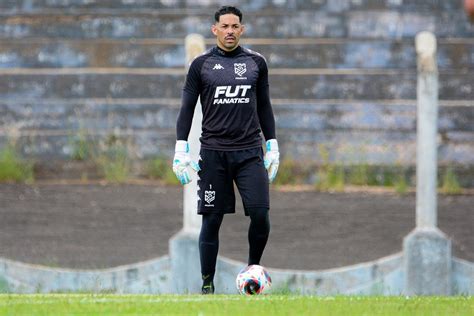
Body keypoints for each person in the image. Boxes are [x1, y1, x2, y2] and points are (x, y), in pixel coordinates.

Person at [172, 5, 279, 294]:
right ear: (215, 30)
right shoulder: (201, 65)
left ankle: (252, 271)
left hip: (249, 153)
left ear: (241, 29)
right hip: (214, 153)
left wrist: (272, 144)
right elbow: (186, 108)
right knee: (212, 219)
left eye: (235, 26)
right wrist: (181, 148)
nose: (230, 31)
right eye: (225, 26)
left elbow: (265, 106)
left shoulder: (256, 63)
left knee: (260, 214)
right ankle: (207, 284)